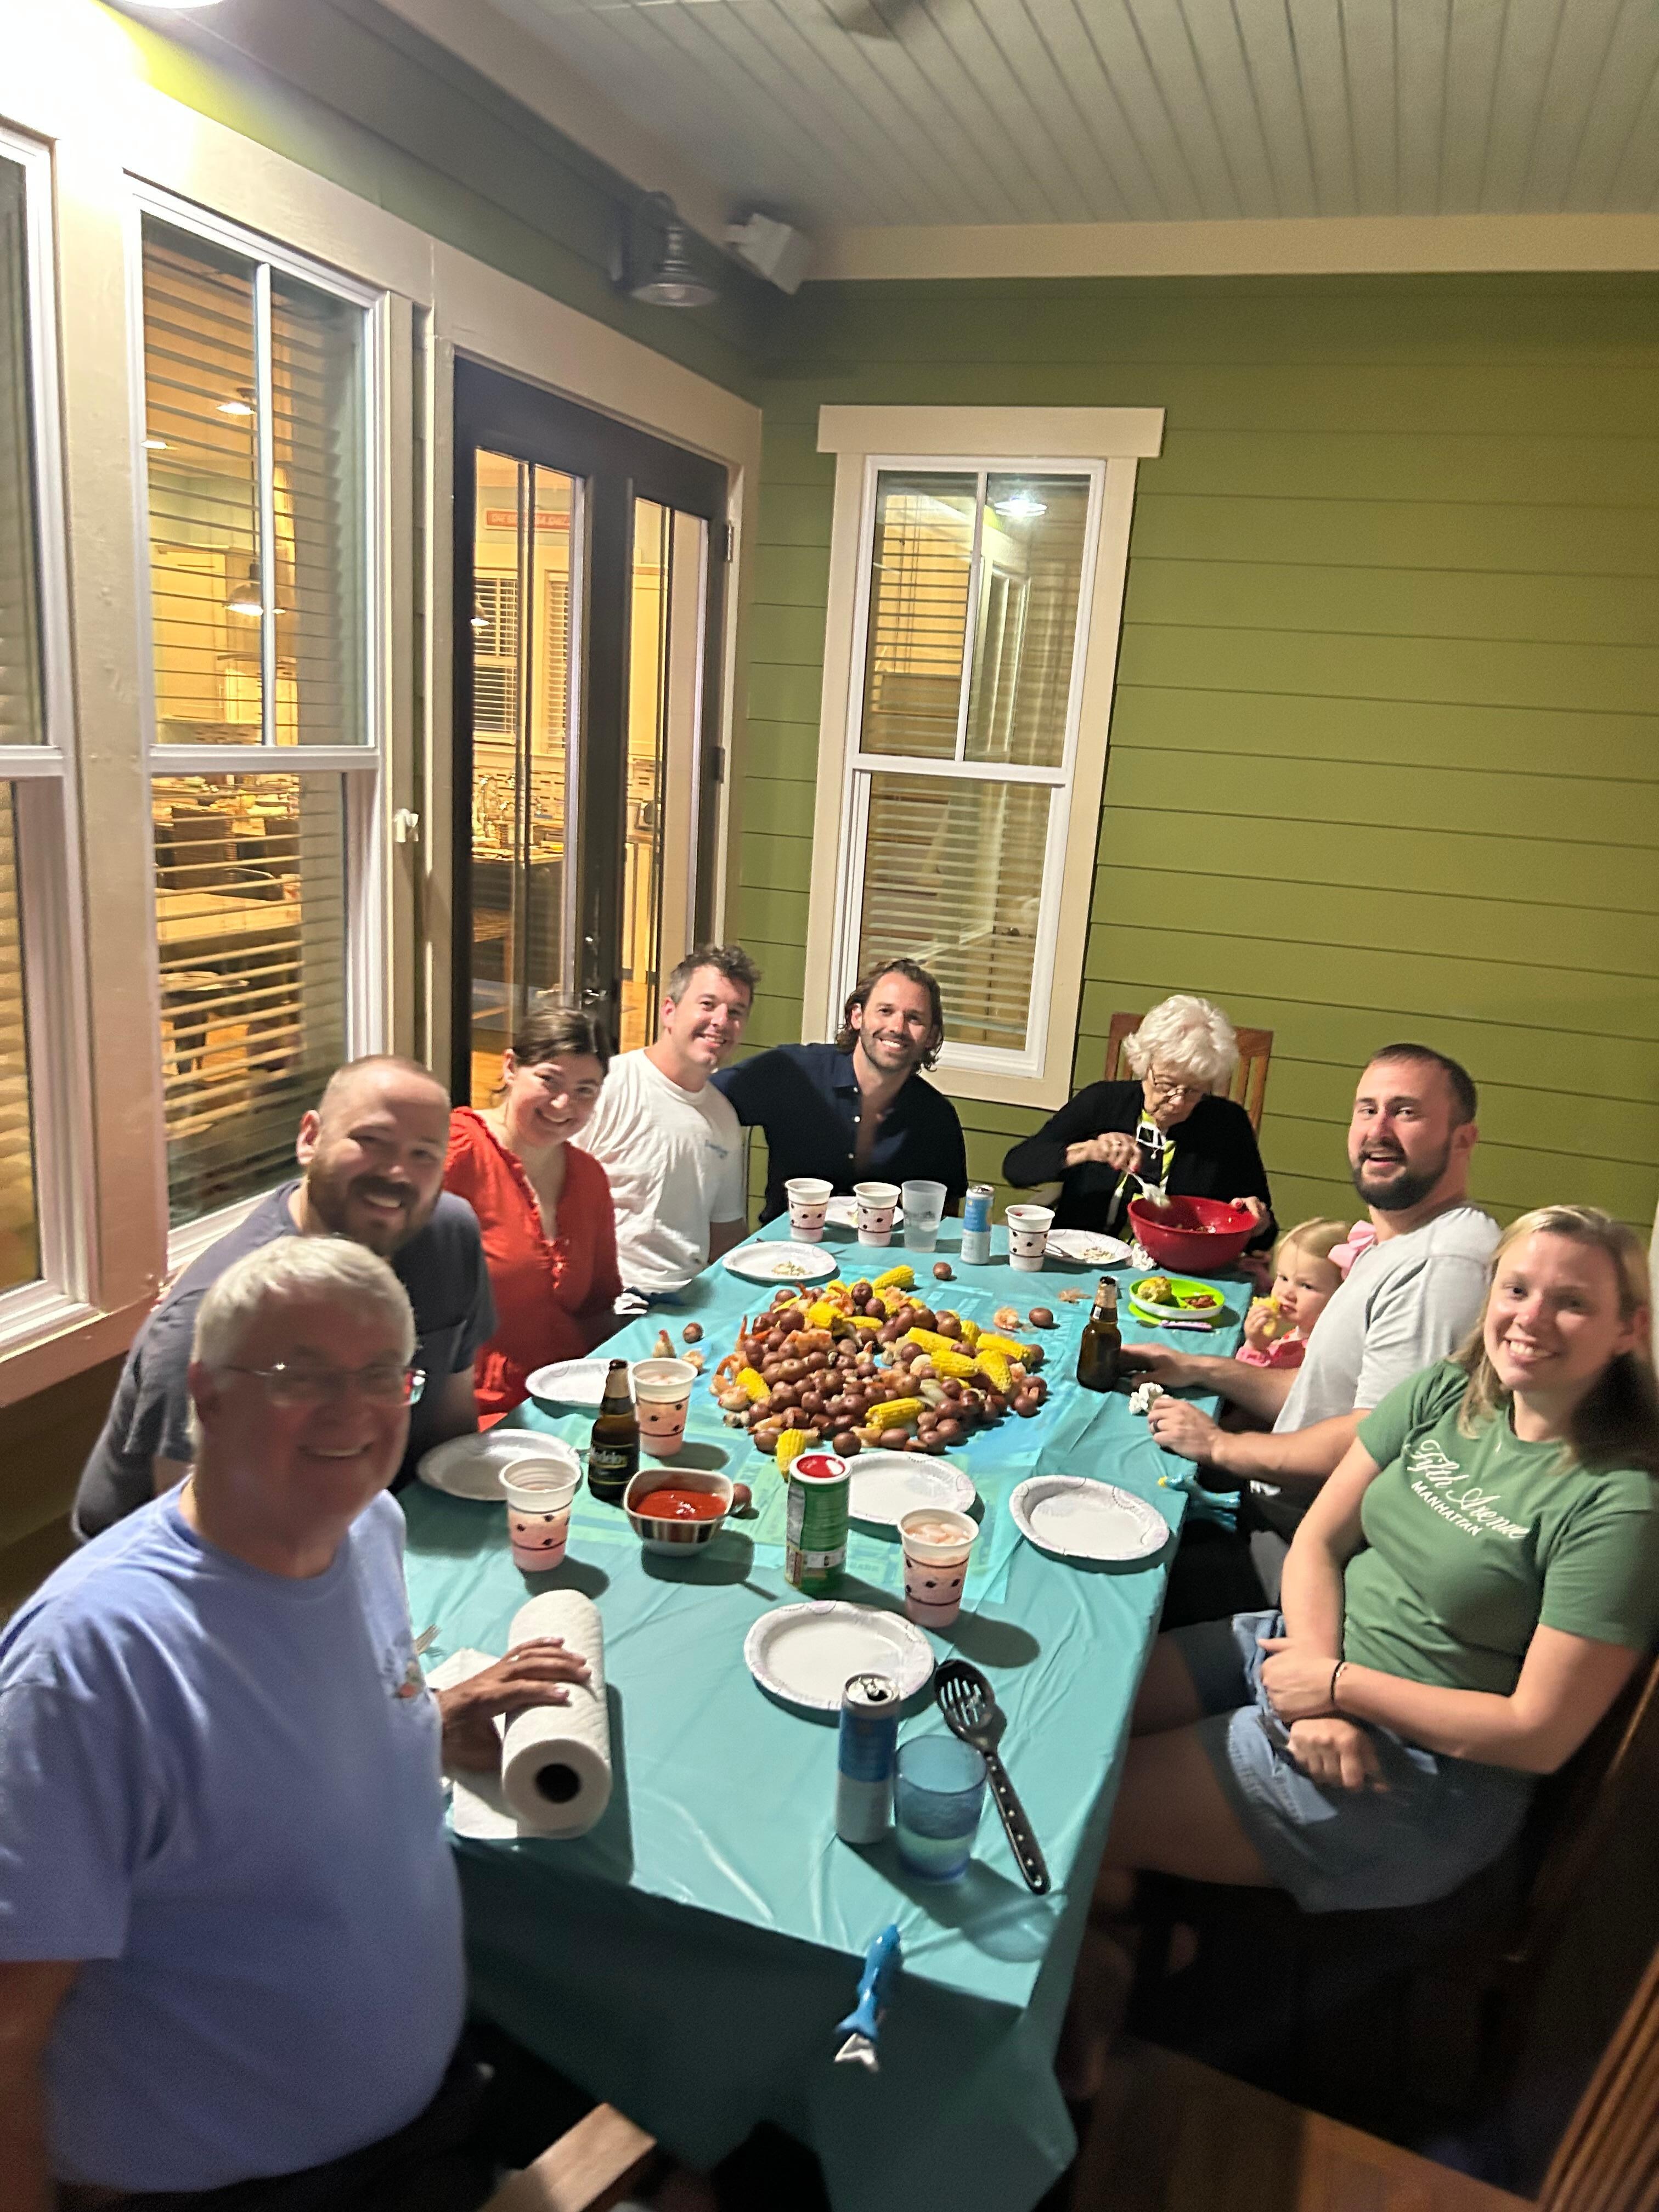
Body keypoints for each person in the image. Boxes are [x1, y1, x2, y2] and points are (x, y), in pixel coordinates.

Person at [0, 1238, 593, 2208]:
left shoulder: (367, 1528)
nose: (350, 1412)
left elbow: (268, 1752)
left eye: (378, 1376)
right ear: (209, 1393)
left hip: (424, 2117)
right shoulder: (88, 1664)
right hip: (230, 2186)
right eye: (297, 1375)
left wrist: (428, 1721)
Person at [1094, 1206, 1659, 1921]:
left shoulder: (1620, 1505)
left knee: (1069, 1803)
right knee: (1073, 1717)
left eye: (1573, 1302)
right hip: (1300, 1647)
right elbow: (1320, 1542)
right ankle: (1129, 1934)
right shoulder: (1447, 1394)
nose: (1533, 1318)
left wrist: (1337, 1688)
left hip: (1412, 1771)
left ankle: (1128, 1942)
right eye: (1517, 1290)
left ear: (1629, 1329)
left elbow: (1537, 1734)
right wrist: (1321, 1678)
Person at [73, 1057, 494, 1542]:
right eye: (371, 1141)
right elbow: (200, 1534)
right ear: (310, 1138)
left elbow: (452, 1427)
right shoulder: (215, 1317)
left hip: (372, 1522)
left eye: (424, 1154)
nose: (397, 1172)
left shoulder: (449, 1235)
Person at [1133, 1046, 1501, 1565]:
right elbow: (1321, 1393)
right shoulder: (1399, 1242)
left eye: (1406, 1111)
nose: (1379, 1129)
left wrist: (1220, 1447)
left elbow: (1370, 1439)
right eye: (1367, 1109)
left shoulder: (1440, 1265)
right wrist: (1197, 1368)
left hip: (1306, 1549)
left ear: (1463, 1138)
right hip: (1274, 1511)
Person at [445, 1004, 620, 1421]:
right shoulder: (454, 1153)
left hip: (569, 1407)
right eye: (549, 1080)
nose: (563, 1104)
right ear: (510, 1067)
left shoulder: (589, 1177)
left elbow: (597, 1309)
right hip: (469, 1417)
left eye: (585, 1090)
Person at [1001, 995, 1273, 1245]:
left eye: (1193, 1091)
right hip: (1083, 1257)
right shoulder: (1102, 1102)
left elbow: (1265, 1232)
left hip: (1178, 1268)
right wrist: (1087, 1150)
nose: (1177, 1101)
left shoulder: (1227, 1124)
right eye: (1167, 1084)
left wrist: (1256, 1221)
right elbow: (1017, 1167)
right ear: (1145, 1065)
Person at [713, 957, 968, 1223]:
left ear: (930, 1036)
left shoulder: (936, 1117)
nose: (897, 1027)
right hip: (788, 1252)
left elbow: (945, 1218)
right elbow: (699, 1099)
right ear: (856, 1017)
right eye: (885, 1011)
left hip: (887, 1258)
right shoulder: (793, 1073)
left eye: (914, 1018)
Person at [578, 946, 756, 1304]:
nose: (721, 1021)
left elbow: (725, 1233)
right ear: (669, 1012)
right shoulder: (608, 1085)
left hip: (690, 1297)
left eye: (735, 1012)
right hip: (612, 1300)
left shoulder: (723, 1117)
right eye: (707, 1005)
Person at [1235, 1218, 1348, 1373]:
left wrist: (1254, 1348)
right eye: (1283, 1278)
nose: (1287, 1293)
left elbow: (1247, 1385)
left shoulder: (1312, 1356)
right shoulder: (1301, 1333)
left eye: (1306, 1286)